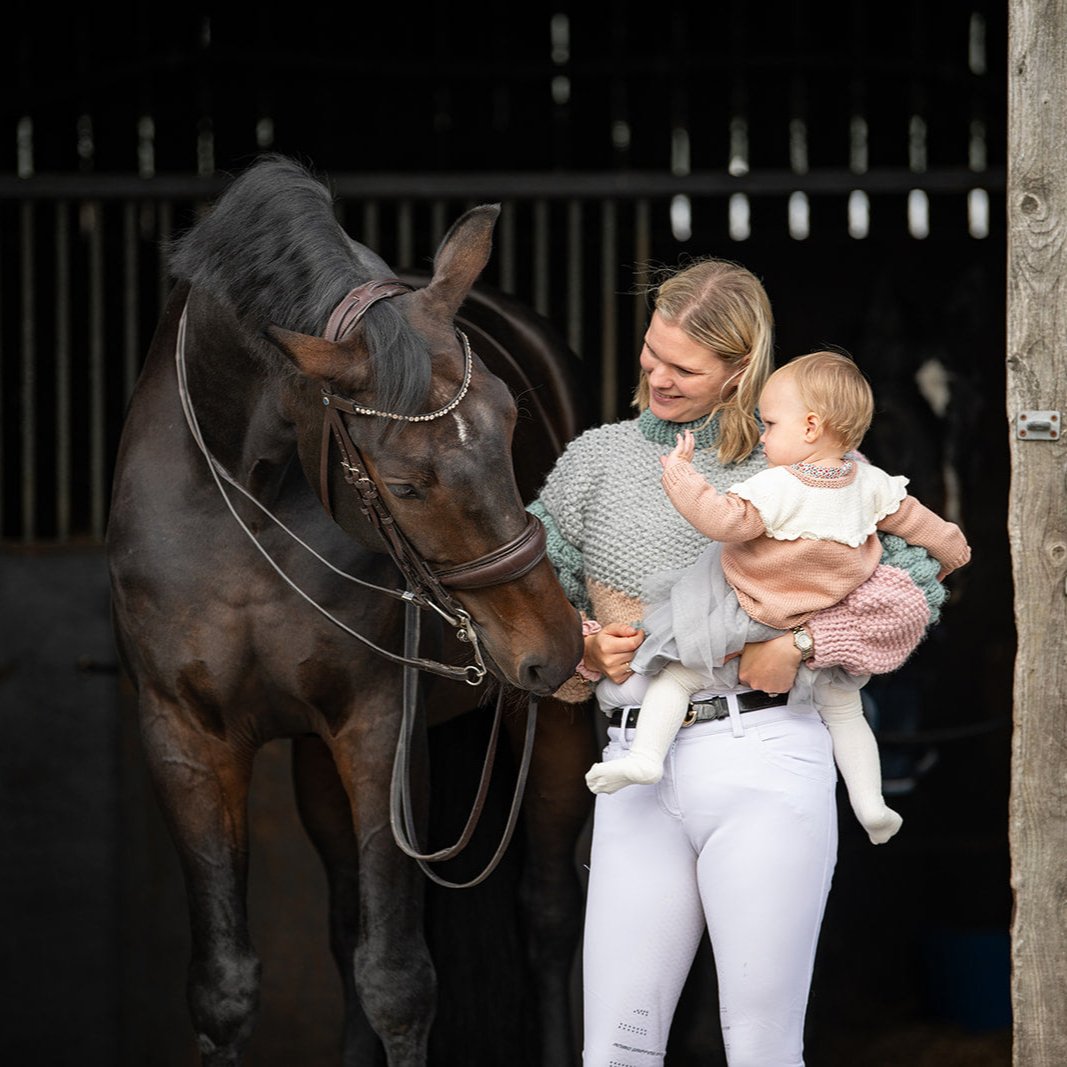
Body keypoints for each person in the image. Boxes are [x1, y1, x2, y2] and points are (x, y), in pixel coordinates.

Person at [527, 256, 949, 1067]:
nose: (656, 374)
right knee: (614, 1050)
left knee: (758, 1047)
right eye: (652, 352)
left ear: (739, 367)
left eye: (683, 366)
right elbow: (525, 599)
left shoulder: (808, 466)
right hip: (634, 768)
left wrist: (800, 645)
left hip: (764, 758)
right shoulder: (594, 461)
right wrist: (577, 640)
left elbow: (915, 590)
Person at [583, 349, 971, 848]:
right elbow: (939, 537)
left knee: (676, 675)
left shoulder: (778, 486)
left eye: (769, 424)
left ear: (810, 427)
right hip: (811, 624)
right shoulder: (875, 487)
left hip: (743, 612)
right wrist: (949, 560)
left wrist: (680, 477)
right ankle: (872, 804)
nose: (763, 436)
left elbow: (723, 521)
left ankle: (646, 758)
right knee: (846, 710)